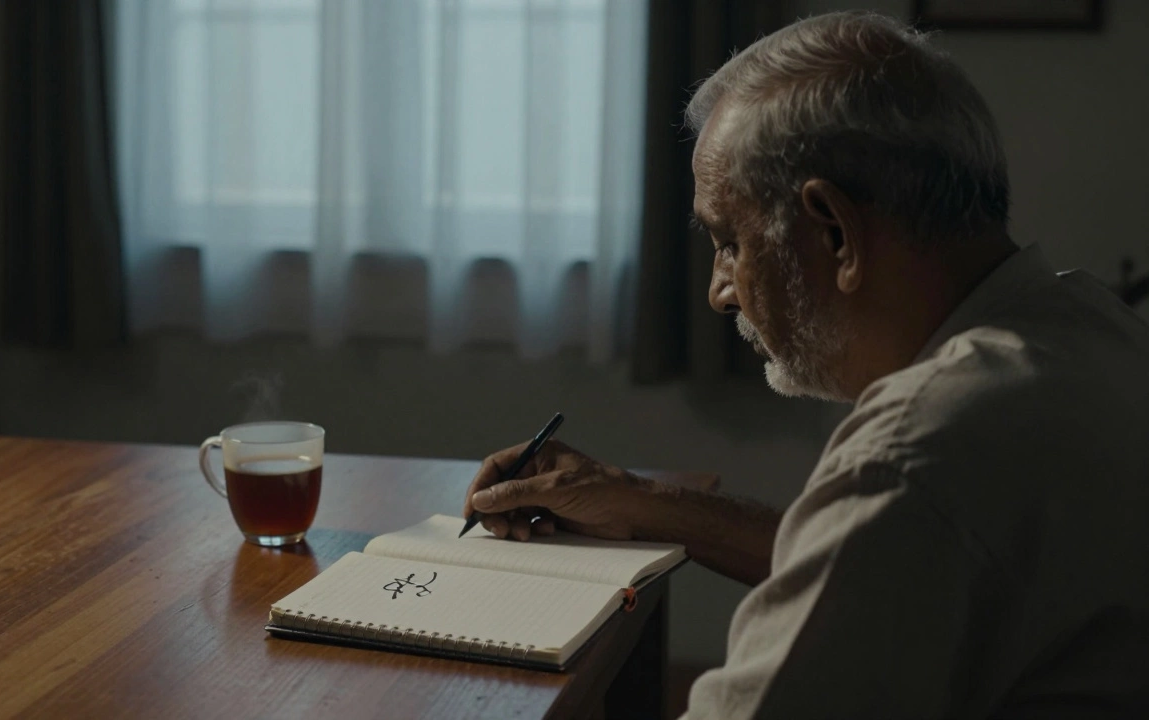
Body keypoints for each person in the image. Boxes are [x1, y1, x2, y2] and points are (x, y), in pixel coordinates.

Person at [462, 11, 1149, 718]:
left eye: (730, 241)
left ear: (833, 231)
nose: (719, 291)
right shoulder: (1088, 324)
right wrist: (642, 503)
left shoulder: (920, 451)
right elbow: (900, 571)